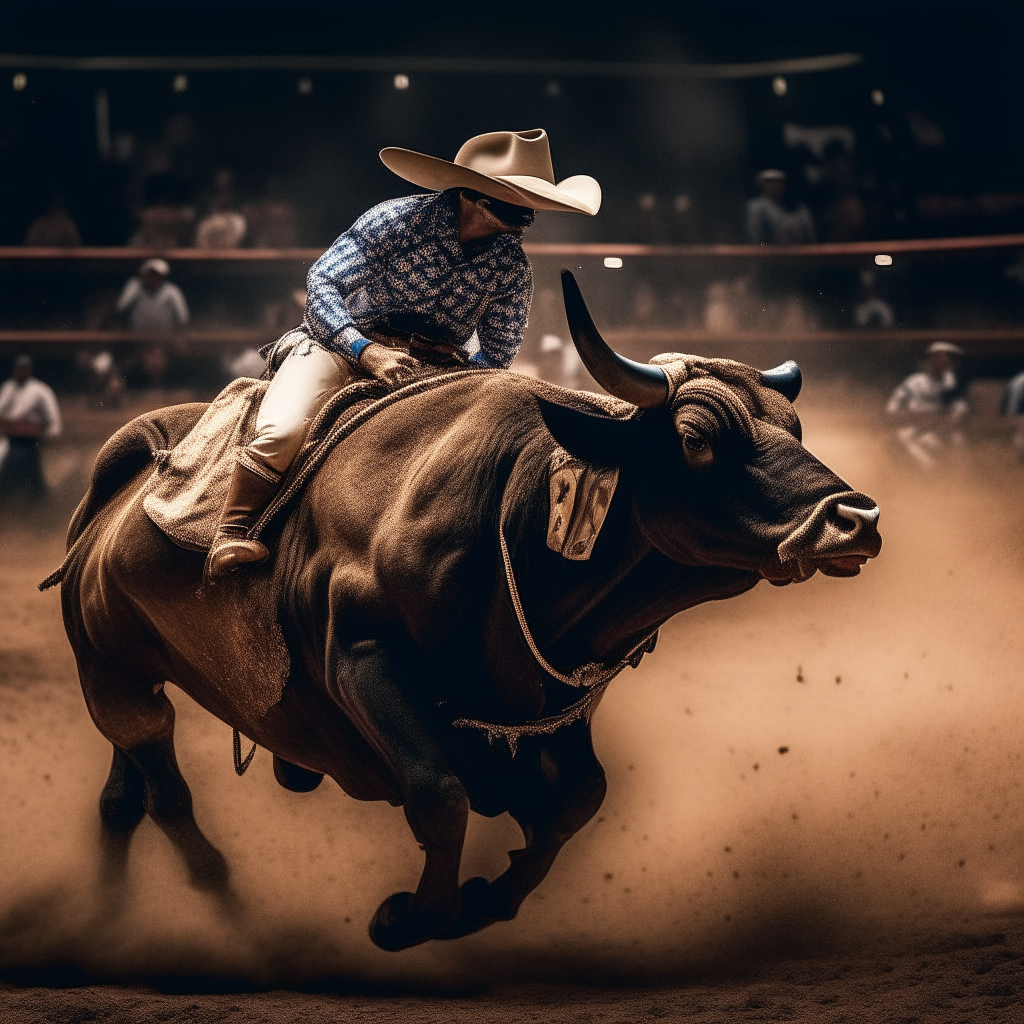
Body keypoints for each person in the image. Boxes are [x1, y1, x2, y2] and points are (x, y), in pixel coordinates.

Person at [208, 128, 601, 576]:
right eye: (517, 198)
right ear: (475, 196)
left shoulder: (511, 265)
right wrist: (364, 350)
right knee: (283, 430)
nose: (528, 214)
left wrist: (463, 380)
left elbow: (497, 350)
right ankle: (233, 529)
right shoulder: (396, 221)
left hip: (438, 367)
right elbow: (323, 283)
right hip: (343, 344)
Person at [886, 341, 968, 469]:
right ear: (930, 359)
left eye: (948, 359)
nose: (943, 363)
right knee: (909, 446)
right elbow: (892, 409)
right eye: (938, 358)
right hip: (913, 430)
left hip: (941, 432)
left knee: (958, 443)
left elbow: (959, 412)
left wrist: (941, 420)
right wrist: (910, 417)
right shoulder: (914, 382)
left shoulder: (952, 385)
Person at [0, 355, 62, 502]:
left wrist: (46, 435)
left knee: (32, 475)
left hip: (30, 439)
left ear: (29, 370)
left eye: (23, 369)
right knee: (9, 473)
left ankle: (36, 499)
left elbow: (54, 419)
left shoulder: (40, 391)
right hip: (11, 437)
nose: (20, 372)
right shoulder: (9, 387)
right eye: (18, 369)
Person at [115, 259, 190, 331]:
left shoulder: (171, 290)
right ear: (143, 274)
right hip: (136, 338)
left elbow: (183, 318)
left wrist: (178, 335)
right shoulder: (135, 286)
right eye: (151, 274)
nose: (154, 278)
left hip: (164, 338)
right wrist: (135, 286)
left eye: (158, 275)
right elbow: (120, 307)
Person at [746, 169, 816, 245]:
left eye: (778, 182)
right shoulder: (756, 207)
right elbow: (756, 235)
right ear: (762, 185)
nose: (774, 186)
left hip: (800, 251)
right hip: (770, 252)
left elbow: (809, 233)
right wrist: (765, 249)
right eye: (769, 182)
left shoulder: (798, 206)